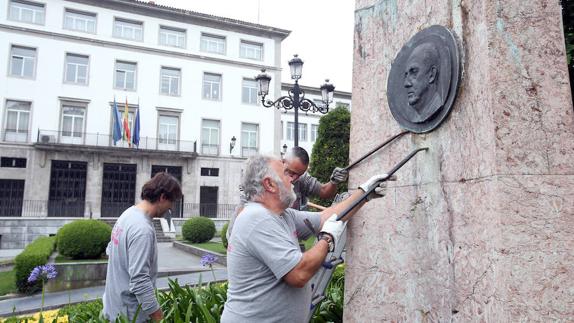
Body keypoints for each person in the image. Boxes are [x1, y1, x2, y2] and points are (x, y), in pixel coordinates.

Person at [221, 154, 390, 322]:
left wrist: (364, 193)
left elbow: (326, 217)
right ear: (270, 184)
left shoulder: (283, 215)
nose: (292, 180)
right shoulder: (257, 218)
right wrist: (327, 238)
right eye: (285, 174)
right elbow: (299, 274)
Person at [102, 172, 182, 323]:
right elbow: (140, 281)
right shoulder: (142, 229)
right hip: (131, 315)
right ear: (163, 197)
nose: (171, 208)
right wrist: (158, 317)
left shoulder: (127, 215)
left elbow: (110, 250)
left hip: (114, 311)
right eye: (172, 202)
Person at [403, 42, 443, 123]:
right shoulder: (415, 118)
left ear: (432, 75)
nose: (406, 84)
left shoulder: (438, 106)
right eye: (406, 75)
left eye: (414, 72)